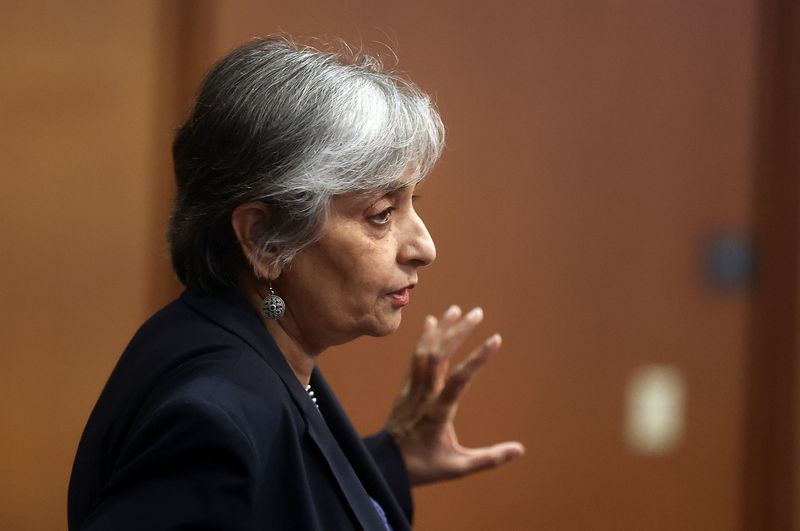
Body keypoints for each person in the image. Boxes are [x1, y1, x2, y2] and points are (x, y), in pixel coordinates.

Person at [68, 36, 524, 530]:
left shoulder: (246, 339)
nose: (424, 247)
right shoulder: (212, 421)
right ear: (264, 239)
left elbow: (277, 496)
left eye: (414, 203)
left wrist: (390, 460)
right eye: (382, 214)